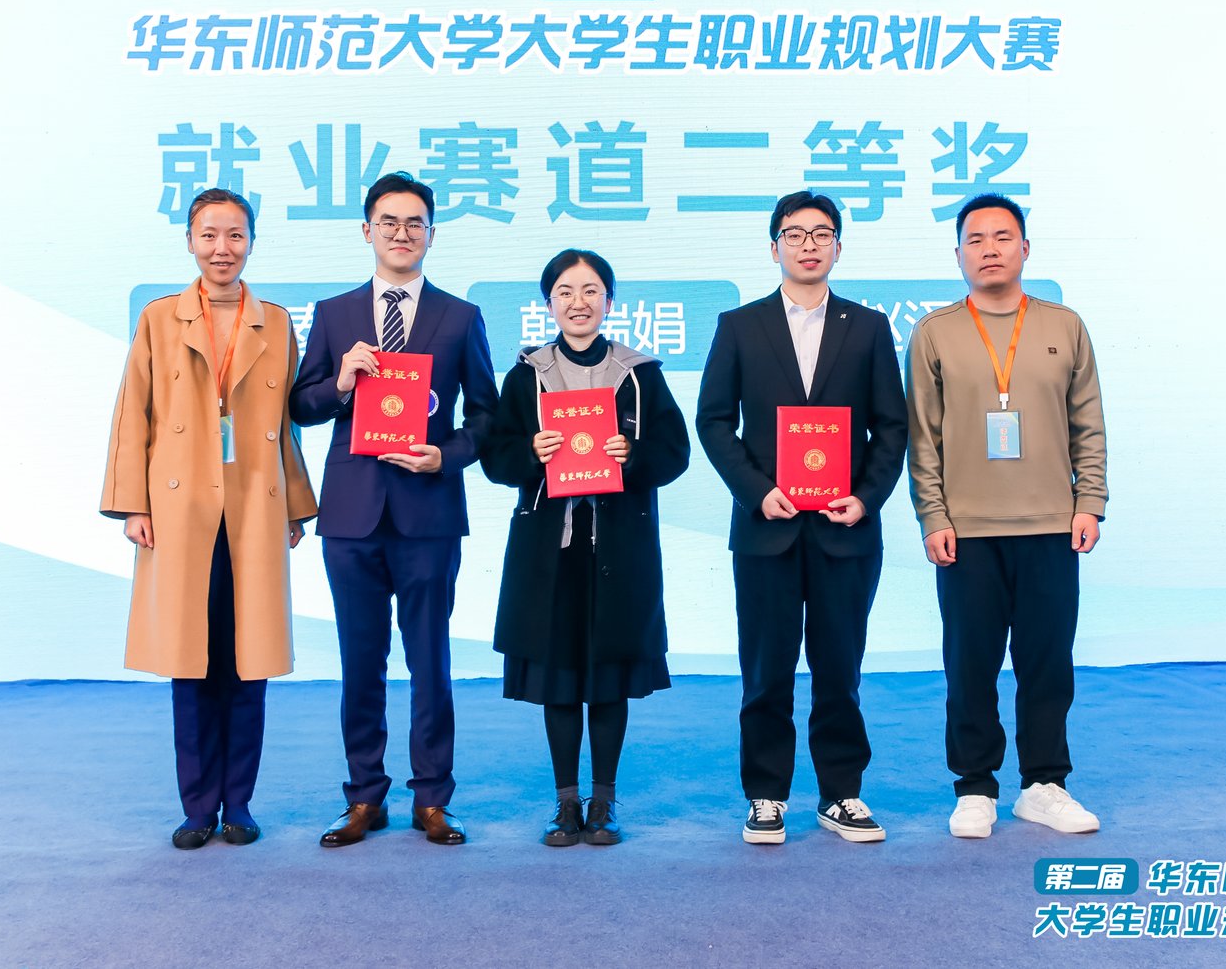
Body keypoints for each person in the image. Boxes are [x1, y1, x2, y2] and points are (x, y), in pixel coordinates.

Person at [100, 187, 317, 849]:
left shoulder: (275, 322)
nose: (223, 248)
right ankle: (198, 807)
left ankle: (239, 804)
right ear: (190, 241)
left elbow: (286, 427)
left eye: (235, 235)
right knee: (189, 661)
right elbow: (131, 414)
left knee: (249, 660)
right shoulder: (159, 318)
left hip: (255, 503)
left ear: (251, 241)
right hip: (178, 507)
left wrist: (297, 504)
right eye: (210, 235)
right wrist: (133, 503)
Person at [290, 171, 498, 847]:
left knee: (430, 658)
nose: (402, 233)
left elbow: (487, 415)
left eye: (415, 223)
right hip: (351, 513)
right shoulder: (333, 314)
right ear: (367, 231)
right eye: (389, 221)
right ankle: (363, 796)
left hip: (428, 512)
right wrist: (341, 381)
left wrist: (447, 455)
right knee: (360, 660)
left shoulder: (460, 317)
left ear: (431, 234)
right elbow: (300, 405)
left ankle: (432, 797)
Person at [696, 191, 908, 845]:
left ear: (839, 246)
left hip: (846, 528)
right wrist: (756, 491)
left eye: (821, 233)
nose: (808, 244)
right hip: (767, 527)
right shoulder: (740, 324)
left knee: (840, 669)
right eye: (795, 234)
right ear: (774, 247)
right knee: (766, 669)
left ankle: (841, 792)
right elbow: (713, 421)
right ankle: (766, 794)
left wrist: (866, 497)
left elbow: (892, 426)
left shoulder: (868, 327)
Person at [905, 193, 1108, 839]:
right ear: (958, 254)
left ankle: (1044, 784)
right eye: (975, 239)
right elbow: (922, 437)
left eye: (1001, 237)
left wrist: (1089, 501)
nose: (989, 249)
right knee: (970, 664)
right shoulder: (935, 332)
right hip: (967, 531)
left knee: (1048, 662)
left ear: (1025, 248)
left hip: (1051, 525)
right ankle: (974, 787)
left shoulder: (1064, 325)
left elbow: (1088, 423)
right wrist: (933, 515)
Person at [480, 250, 690, 847]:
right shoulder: (527, 374)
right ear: (548, 303)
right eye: (566, 292)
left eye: (592, 290)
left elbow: (675, 452)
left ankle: (604, 801)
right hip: (551, 553)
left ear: (609, 301)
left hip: (619, 550)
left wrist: (633, 455)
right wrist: (532, 452)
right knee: (560, 678)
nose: (579, 303)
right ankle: (566, 802)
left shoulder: (639, 374)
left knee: (610, 678)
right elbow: (496, 457)